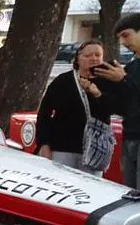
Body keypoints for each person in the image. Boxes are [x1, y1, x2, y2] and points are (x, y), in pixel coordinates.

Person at [36, 40, 119, 177]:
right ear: (78, 59)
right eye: (88, 55)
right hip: (62, 148)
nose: (93, 58)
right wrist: (44, 143)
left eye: (97, 55)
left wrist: (97, 94)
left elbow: (115, 109)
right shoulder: (62, 81)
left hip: (94, 150)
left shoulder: (109, 82)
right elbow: (44, 113)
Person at [93, 13, 140, 187]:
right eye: (119, 37)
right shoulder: (132, 67)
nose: (122, 42)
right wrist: (99, 92)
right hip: (130, 137)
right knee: (130, 191)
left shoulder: (127, 73)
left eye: (126, 35)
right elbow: (124, 106)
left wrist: (123, 80)